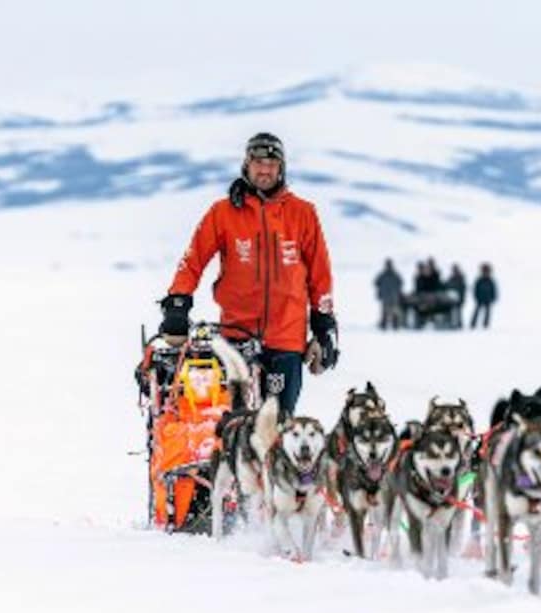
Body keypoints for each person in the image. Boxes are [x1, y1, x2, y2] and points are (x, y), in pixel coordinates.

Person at [157, 132, 338, 414]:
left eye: (271, 163)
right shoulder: (223, 212)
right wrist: (178, 303)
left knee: (278, 428)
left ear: (281, 168)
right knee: (234, 428)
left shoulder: (303, 213)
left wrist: (324, 326)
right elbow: (193, 260)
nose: (264, 169)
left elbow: (320, 275)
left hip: (286, 340)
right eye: (257, 162)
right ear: (246, 165)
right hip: (235, 338)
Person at [374, 258, 404, 330]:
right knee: (385, 311)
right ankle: (384, 324)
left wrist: (397, 291)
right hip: (386, 295)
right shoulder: (383, 274)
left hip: (393, 296)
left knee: (394, 311)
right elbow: (376, 282)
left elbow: (400, 283)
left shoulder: (394, 274)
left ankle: (395, 325)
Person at [470, 263, 497, 329]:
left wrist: (493, 298)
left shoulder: (490, 281)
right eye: (484, 271)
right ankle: (473, 324)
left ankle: (486, 324)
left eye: (487, 271)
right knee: (476, 312)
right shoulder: (479, 280)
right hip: (480, 299)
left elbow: (494, 290)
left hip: (488, 299)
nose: (486, 273)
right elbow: (475, 289)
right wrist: (476, 297)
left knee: (487, 313)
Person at [446, 264, 466, 329]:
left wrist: (462, 298)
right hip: (450, 298)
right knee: (451, 311)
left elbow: (463, 290)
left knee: (459, 312)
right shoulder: (450, 278)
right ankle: (451, 323)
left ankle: (459, 324)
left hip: (459, 298)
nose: (454, 271)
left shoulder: (461, 279)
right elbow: (447, 287)